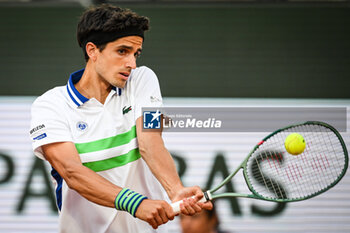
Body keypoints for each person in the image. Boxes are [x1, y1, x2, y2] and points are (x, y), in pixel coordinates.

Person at [29, 4, 211, 233]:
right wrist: (136, 204)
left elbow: (150, 143)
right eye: (122, 51)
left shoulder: (143, 80)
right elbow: (71, 171)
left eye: (136, 54)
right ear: (92, 51)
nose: (132, 64)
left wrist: (175, 189)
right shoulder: (50, 105)